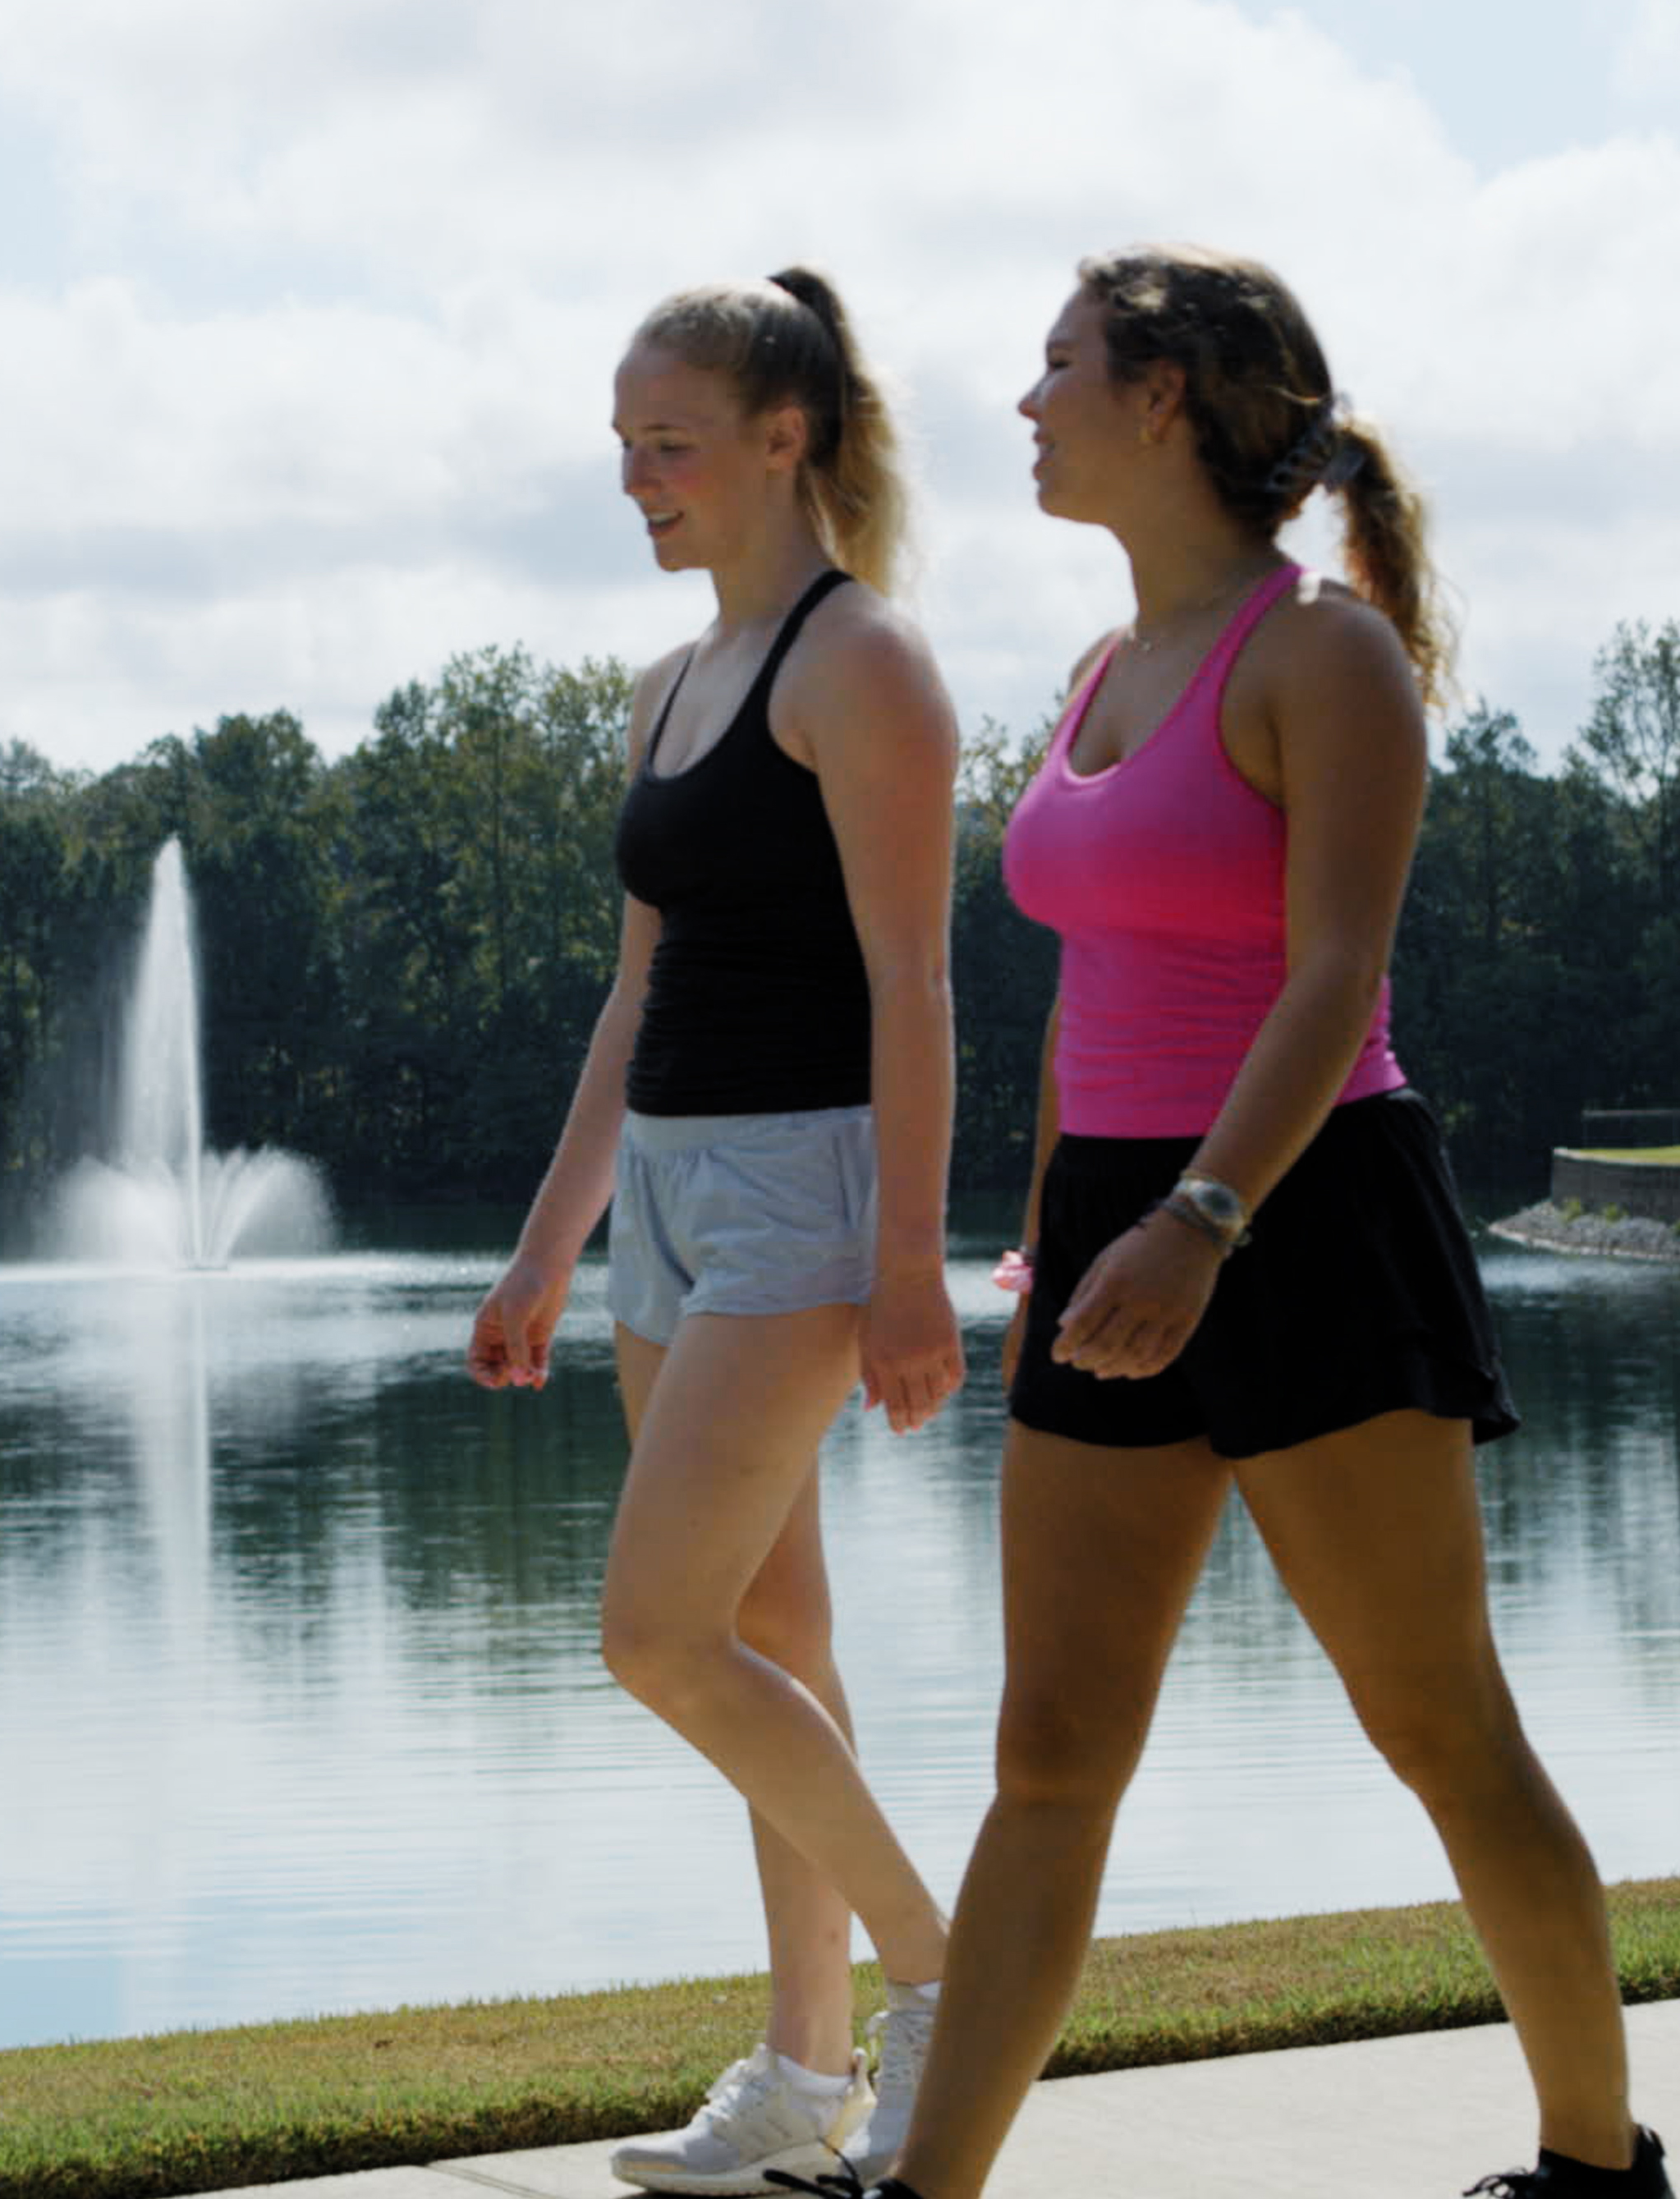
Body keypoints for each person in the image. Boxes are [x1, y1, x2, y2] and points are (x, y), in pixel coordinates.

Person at [848, 246, 1672, 2198]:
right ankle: (924, 2190)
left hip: (1293, 1207)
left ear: (1164, 400)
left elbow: (1333, 980)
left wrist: (1204, 1215)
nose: (1023, 403)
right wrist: (1058, 1232)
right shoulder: (1088, 678)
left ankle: (1591, 2167)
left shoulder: (1322, 656)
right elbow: (1083, 990)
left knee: (1439, 1728)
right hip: (1117, 1224)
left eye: (1056, 368)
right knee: (1047, 1753)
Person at [465, 266, 968, 2196]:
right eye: (620, 448)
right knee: (769, 1631)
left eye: (665, 443)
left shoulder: (862, 666)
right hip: (666, 1193)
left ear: (787, 435)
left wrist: (909, 1258)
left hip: (803, 1189)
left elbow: (913, 985)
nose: (635, 480)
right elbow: (632, 998)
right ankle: (804, 2068)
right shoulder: (669, 686)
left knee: (655, 1633)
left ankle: (946, 1974)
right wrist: (542, 1246)